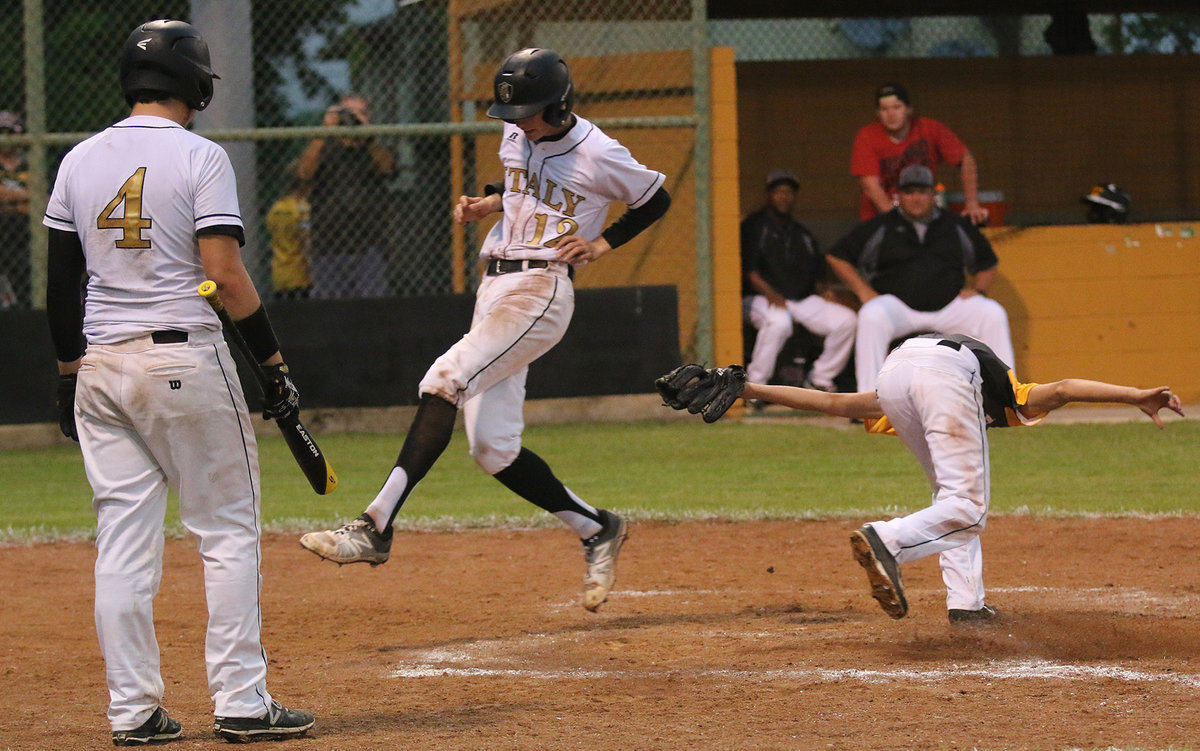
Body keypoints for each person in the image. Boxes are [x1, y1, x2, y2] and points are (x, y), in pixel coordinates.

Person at [299, 47, 671, 613]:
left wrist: (601, 243)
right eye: (512, 112)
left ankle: (374, 527)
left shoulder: (599, 152)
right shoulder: (519, 135)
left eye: (529, 112)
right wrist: (488, 204)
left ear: (561, 104)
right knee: (493, 449)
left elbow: (654, 198)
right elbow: (523, 189)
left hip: (539, 291)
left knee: (444, 379)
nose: (519, 122)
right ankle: (598, 528)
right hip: (494, 286)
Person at [42, 20, 314, 745]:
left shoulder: (77, 158)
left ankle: (133, 712)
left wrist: (69, 372)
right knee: (226, 530)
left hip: (100, 365)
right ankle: (242, 700)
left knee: (123, 542)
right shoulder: (201, 155)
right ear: (193, 82)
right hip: (180, 357)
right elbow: (224, 272)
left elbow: (60, 282)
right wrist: (273, 365)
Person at [666, 334, 1183, 623]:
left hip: (898, 370)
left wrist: (750, 389)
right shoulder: (1012, 394)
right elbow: (1065, 388)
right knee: (969, 509)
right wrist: (1135, 393)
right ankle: (887, 540)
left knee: (950, 496)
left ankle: (967, 605)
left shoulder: (927, 385)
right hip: (947, 371)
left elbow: (834, 402)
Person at [827, 164, 1015, 394]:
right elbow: (837, 256)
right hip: (899, 307)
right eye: (909, 192)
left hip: (949, 307)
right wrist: (863, 291)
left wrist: (980, 290)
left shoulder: (955, 224)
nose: (916, 198)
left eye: (922, 191)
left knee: (992, 312)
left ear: (933, 195)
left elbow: (988, 262)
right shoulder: (882, 225)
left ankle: (1006, 396)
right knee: (871, 315)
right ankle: (869, 399)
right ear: (898, 195)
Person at [741, 169, 855, 394]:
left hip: (799, 300)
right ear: (768, 194)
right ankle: (754, 388)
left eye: (789, 192)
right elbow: (750, 272)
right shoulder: (753, 226)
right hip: (759, 299)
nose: (784, 196)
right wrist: (770, 293)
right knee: (778, 322)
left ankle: (820, 378)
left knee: (847, 321)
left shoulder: (801, 233)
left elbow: (816, 272)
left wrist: (825, 292)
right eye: (779, 191)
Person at [296, 92, 394, 299]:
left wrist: (368, 134)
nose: (353, 118)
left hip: (370, 243)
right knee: (330, 308)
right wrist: (325, 130)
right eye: (348, 113)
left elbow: (388, 168)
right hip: (328, 243)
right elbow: (304, 172)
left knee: (373, 306)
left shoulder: (373, 147)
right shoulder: (325, 146)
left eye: (361, 113)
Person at [851, 82, 990, 225]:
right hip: (882, 219)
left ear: (909, 110)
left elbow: (965, 159)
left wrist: (972, 204)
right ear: (878, 113)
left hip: (926, 215)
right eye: (884, 109)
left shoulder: (930, 128)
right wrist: (895, 219)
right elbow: (870, 185)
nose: (891, 114)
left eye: (897, 107)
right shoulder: (867, 136)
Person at [267, 164, 313, 300]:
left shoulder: (275, 208)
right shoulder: (303, 208)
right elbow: (306, 241)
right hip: (300, 275)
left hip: (280, 274)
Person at [0, 110, 30, 308]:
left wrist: (11, 201)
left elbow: (42, 197)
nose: (5, 137)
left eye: (9, 132)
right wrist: (25, 198)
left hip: (25, 230)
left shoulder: (28, 162)